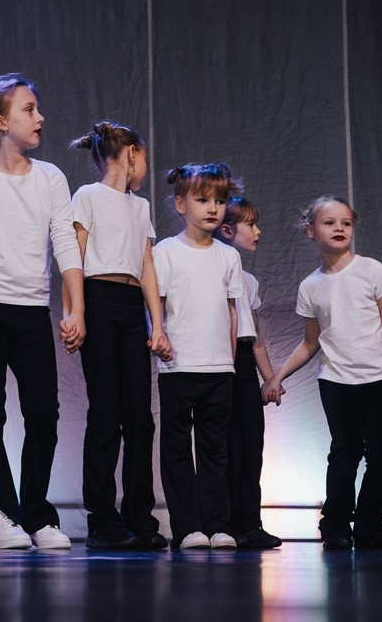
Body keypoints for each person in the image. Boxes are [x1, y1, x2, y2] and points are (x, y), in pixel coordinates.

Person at [0, 73, 84, 550]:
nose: (40, 117)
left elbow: (65, 243)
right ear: (1, 121)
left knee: (43, 412)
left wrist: (76, 308)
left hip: (32, 311)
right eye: (29, 109)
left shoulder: (51, 177)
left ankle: (38, 514)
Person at [262, 195, 382, 551]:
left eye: (346, 223)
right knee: (344, 453)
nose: (339, 228)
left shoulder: (372, 270)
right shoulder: (310, 286)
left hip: (376, 378)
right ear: (311, 231)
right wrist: (277, 376)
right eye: (330, 222)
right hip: (335, 381)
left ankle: (370, 524)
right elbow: (310, 342)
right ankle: (335, 524)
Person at [68, 121, 170, 551]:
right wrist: (75, 312)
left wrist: (157, 324)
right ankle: (102, 519)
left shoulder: (140, 207)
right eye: (143, 156)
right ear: (131, 153)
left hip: (130, 307)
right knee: (106, 412)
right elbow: (73, 258)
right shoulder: (87, 196)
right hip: (98, 298)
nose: (145, 165)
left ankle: (139, 515)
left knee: (140, 418)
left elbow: (147, 267)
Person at [153, 163, 243, 551]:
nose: (212, 208)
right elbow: (155, 306)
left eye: (220, 201)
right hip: (178, 365)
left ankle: (218, 523)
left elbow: (232, 311)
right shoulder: (165, 252)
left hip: (219, 366)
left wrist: (230, 357)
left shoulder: (228, 257)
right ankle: (187, 526)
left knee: (215, 448)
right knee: (176, 449)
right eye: (203, 200)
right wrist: (158, 336)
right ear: (180, 204)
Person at [212, 196, 282, 549]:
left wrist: (270, 378)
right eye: (250, 225)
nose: (258, 231)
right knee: (225, 445)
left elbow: (255, 338)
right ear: (227, 231)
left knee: (252, 443)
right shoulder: (212, 270)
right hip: (217, 359)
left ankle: (250, 521)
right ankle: (223, 521)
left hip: (242, 362)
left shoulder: (249, 281)